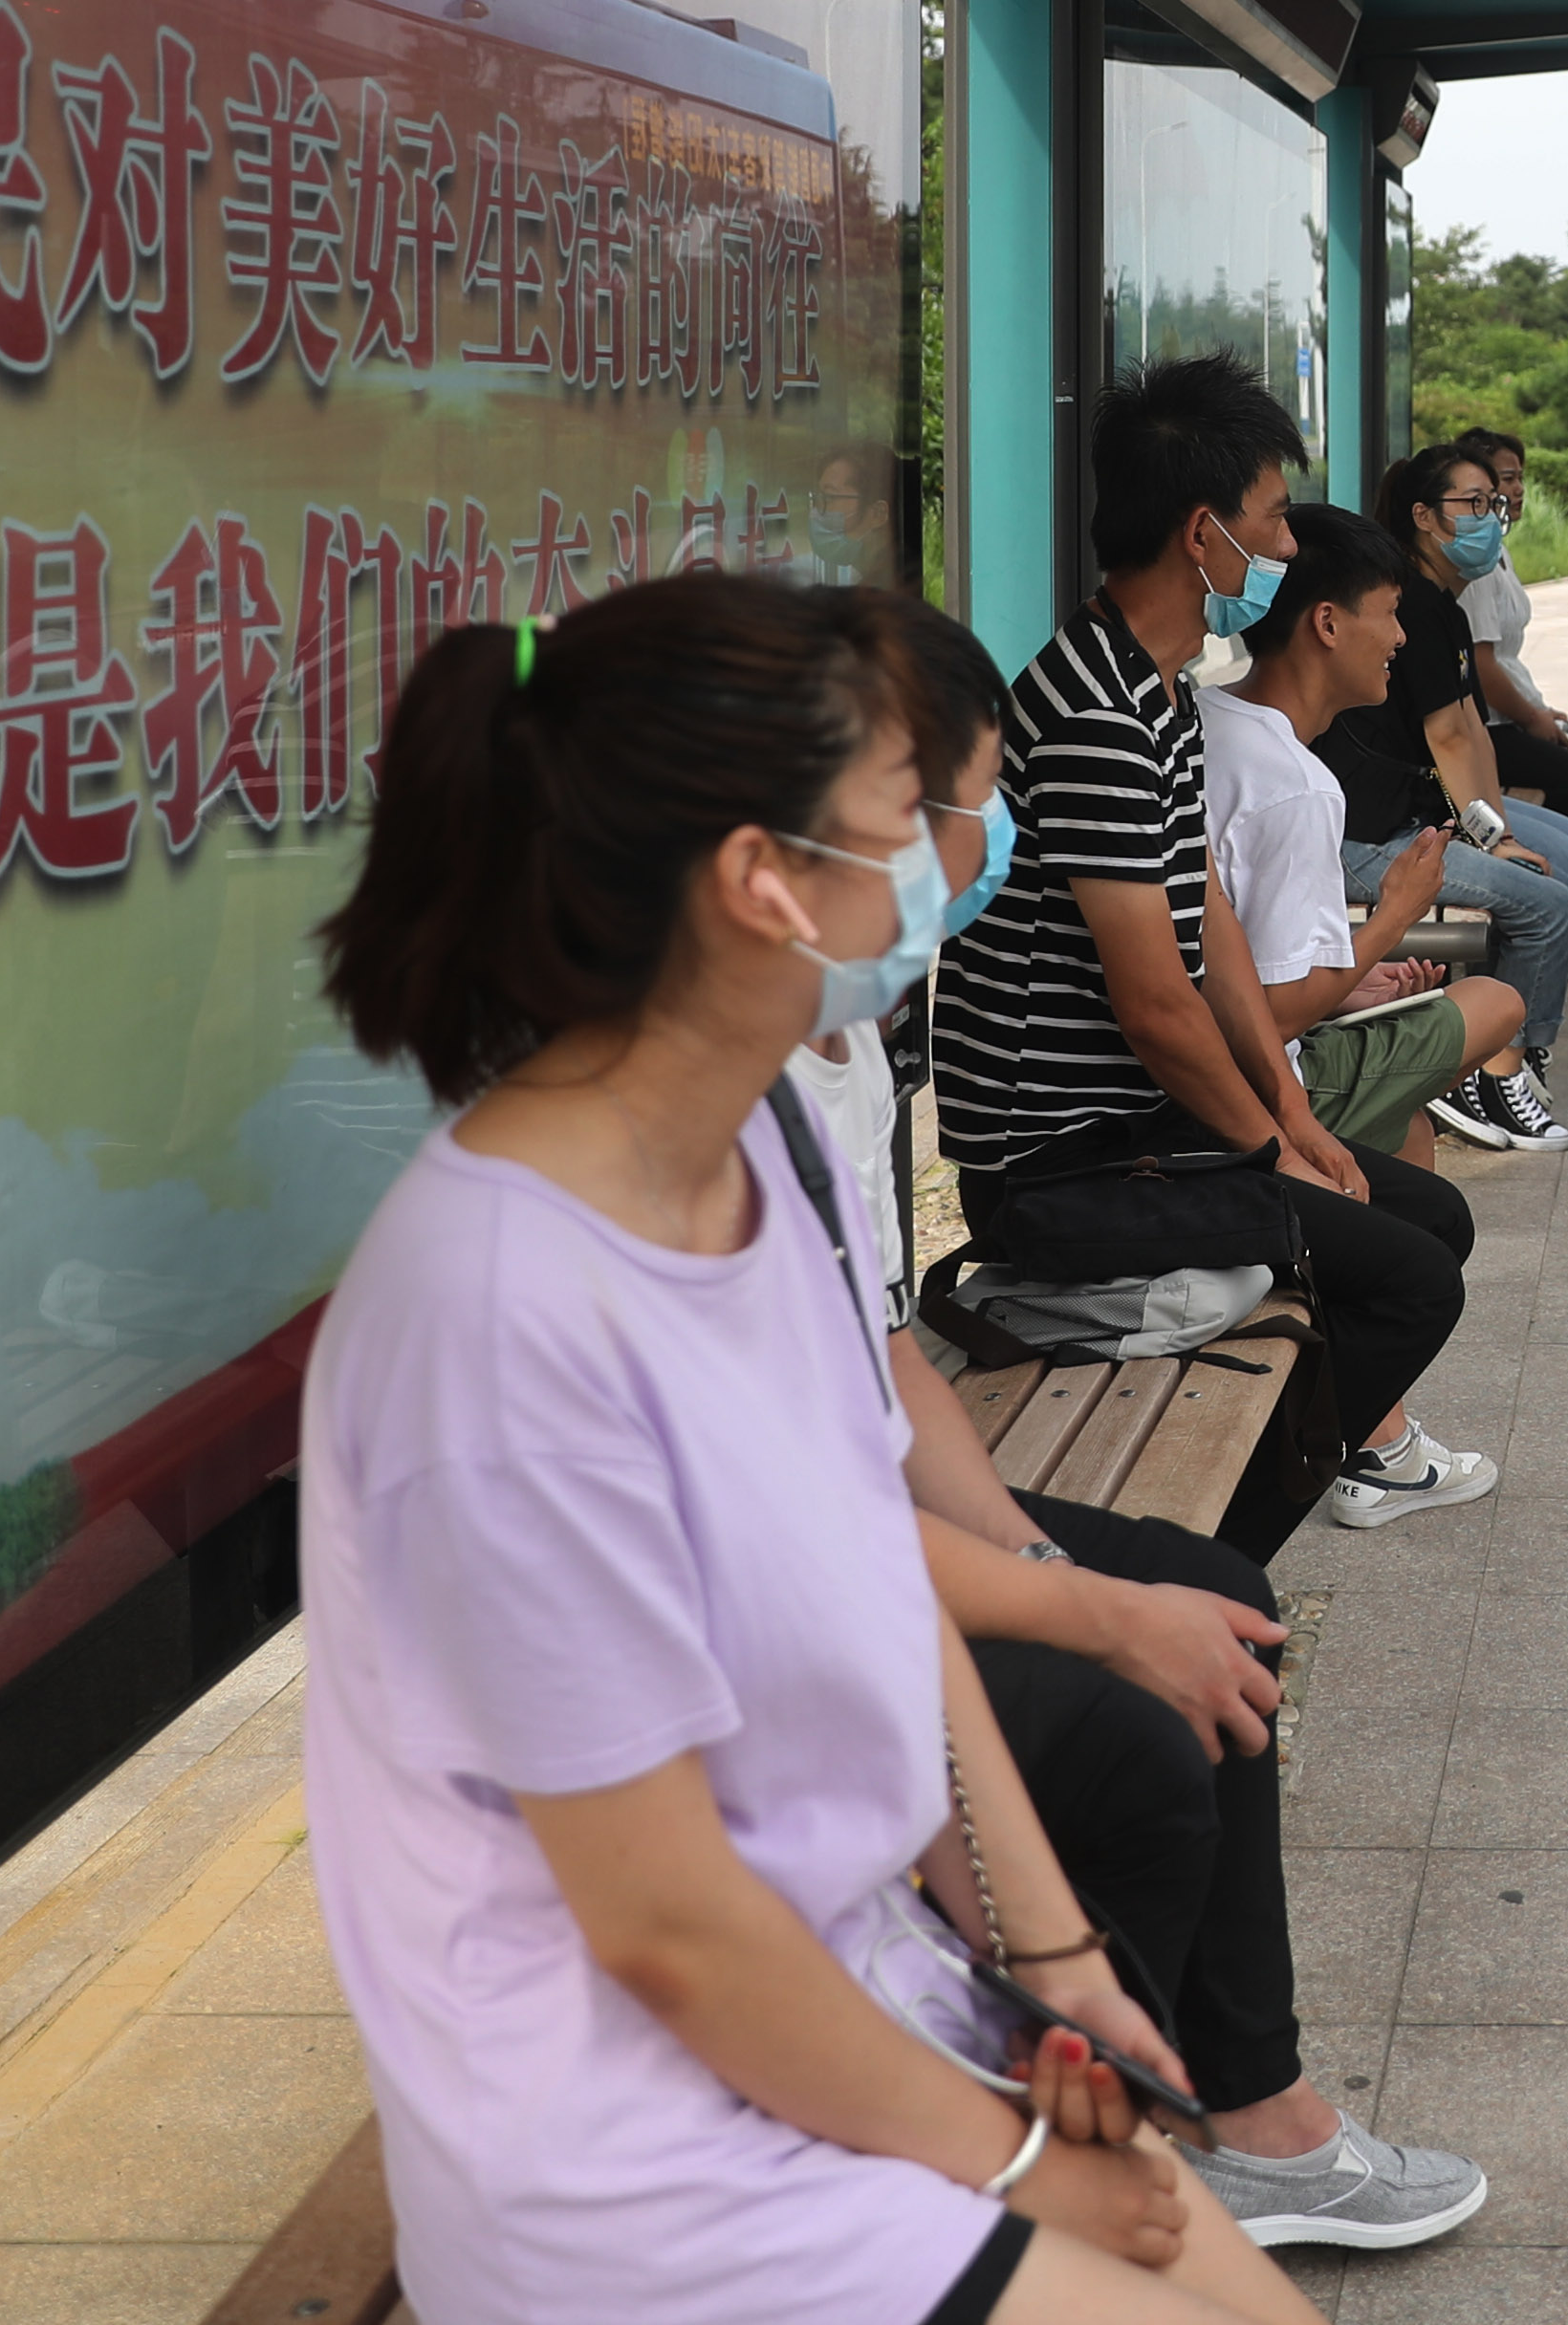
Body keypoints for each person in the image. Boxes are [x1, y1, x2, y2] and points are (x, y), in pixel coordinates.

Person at [300, 571, 1312, 2325]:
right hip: (650, 2175)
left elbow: (873, 1569)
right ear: (763, 881)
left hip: (863, 2018)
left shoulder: (753, 1155)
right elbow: (670, 1932)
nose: (944, 865)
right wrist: (1016, 2153)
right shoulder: (497, 1315)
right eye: (903, 817)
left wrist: (1055, 1967)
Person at [827, 589, 1491, 2246]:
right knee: (1157, 1688)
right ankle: (1189, 2115)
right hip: (823, 1574)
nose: (982, 849)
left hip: (852, 1555)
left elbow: (872, 1360)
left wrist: (1055, 1569)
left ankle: (1212, 2106)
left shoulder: (817, 1053)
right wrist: (1084, 1609)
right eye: (949, 809)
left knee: (1211, 1602)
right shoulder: (617, 1175)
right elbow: (781, 1531)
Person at [927, 355, 1496, 1546]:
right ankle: (1209, 1563)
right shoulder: (1095, 715)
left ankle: (1228, 1532)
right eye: (1273, 519)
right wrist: (1272, 1153)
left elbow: (1212, 924)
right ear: (1203, 536)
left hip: (1138, 1140)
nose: (1287, 545)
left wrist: (1290, 1124)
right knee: (1407, 1275)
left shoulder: (1158, 689)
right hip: (1060, 1174)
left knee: (1427, 1224)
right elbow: (1154, 1005)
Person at [1202, 510, 1533, 1174]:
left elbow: (1247, 965)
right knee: (1498, 1003)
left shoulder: (1207, 713)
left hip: (1215, 1057)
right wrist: (1393, 918)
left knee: (1407, 1128)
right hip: (1254, 1086)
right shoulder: (1299, 787)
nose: (1400, 637)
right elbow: (1273, 1017)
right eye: (1389, 613)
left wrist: (1349, 983)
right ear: (1327, 624)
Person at [1324, 445, 1568, 1152]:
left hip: (1412, 816)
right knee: (1547, 902)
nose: (1490, 517)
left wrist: (1498, 829)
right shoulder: (1415, 603)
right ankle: (1494, 1068)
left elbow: (1470, 728)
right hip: (1370, 836)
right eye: (1472, 503)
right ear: (1423, 516)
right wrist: (1492, 839)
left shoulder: (1441, 605)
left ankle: (1515, 1052)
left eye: (1492, 503)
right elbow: (1447, 737)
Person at [1448, 432, 1568, 886]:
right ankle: (1558, 889)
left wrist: (1540, 712)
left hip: (1507, 718)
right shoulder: (1472, 566)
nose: (1516, 491)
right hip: (1491, 726)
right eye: (1505, 480)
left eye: (1518, 480)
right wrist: (1533, 719)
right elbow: (1482, 666)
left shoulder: (1496, 550)